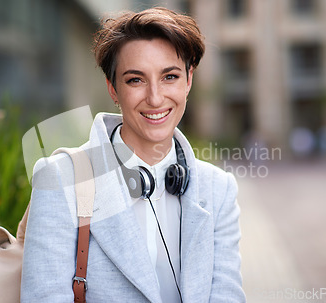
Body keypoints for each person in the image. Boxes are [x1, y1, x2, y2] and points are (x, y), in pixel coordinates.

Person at [21, 7, 245, 302]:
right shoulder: (61, 179)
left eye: (170, 76)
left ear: (188, 80)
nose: (155, 98)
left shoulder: (218, 188)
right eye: (135, 80)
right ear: (113, 89)